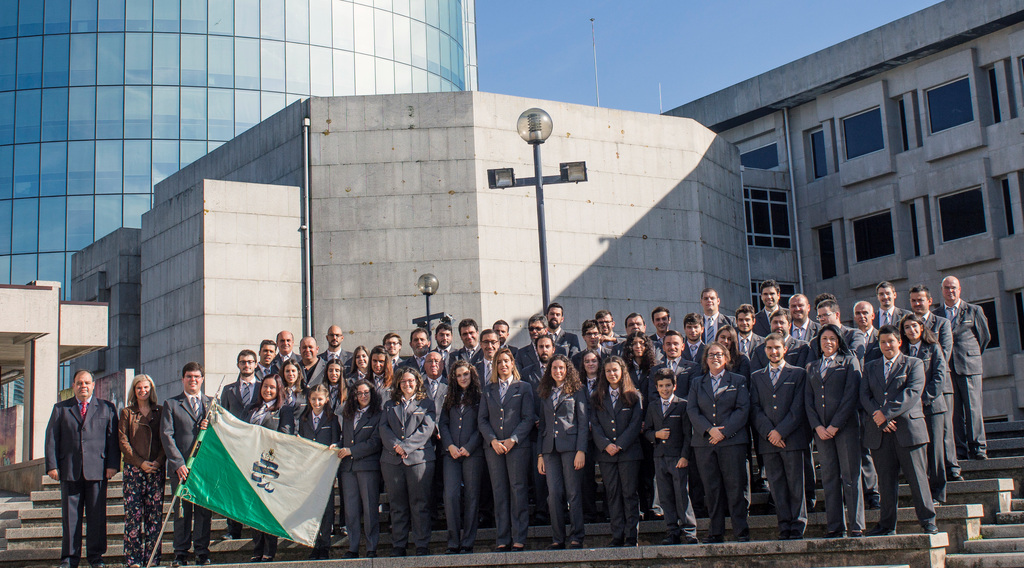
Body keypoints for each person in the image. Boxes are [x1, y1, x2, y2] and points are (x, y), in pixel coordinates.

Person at [862, 325, 938, 536]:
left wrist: (886, 413)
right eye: (883, 342)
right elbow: (864, 395)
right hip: (881, 433)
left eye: (891, 341)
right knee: (885, 482)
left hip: (909, 431)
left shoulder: (914, 363)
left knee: (917, 479)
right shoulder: (870, 367)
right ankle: (887, 525)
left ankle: (928, 521)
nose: (887, 345)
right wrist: (880, 419)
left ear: (899, 342)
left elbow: (913, 392)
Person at [46, 370, 119, 568]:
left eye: (87, 382)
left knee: (97, 516)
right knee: (71, 518)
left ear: (93, 385)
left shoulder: (107, 408)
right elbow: (52, 438)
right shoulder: (61, 409)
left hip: (98, 470)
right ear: (74, 385)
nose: (83, 386)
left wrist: (113, 465)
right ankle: (69, 558)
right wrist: (52, 465)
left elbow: (113, 440)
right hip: (70, 470)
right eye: (79, 383)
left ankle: (96, 557)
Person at [687, 342, 750, 543]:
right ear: (705, 359)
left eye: (719, 354)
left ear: (726, 358)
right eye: (711, 354)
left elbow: (742, 410)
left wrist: (723, 432)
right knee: (712, 489)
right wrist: (708, 429)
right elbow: (692, 410)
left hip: (731, 443)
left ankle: (741, 531)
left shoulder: (738, 380)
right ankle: (716, 532)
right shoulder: (697, 382)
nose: (715, 357)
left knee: (735, 487)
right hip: (705, 444)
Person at [805, 324, 864, 538]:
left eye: (832, 338)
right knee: (829, 478)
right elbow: (808, 401)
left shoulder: (849, 361)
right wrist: (818, 427)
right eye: (824, 339)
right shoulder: (812, 366)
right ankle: (835, 526)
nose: (828, 342)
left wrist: (834, 425)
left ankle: (856, 525)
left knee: (850, 476)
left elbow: (851, 396)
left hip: (845, 428)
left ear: (838, 341)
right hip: (822, 433)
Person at [750, 334, 809, 540]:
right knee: (777, 486)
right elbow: (755, 408)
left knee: (795, 484)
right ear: (764, 350)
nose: (773, 352)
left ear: (784, 349)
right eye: (769, 348)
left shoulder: (798, 374)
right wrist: (769, 432)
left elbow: (798, 407)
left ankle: (798, 524)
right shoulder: (757, 376)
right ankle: (783, 524)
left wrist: (781, 431)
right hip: (769, 442)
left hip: (791, 439)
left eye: (777, 348)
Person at [478, 347, 535, 552]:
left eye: (506, 361)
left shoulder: (524, 387)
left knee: (518, 490)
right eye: (499, 362)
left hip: (517, 447)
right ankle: (502, 537)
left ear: (512, 363)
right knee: (499, 492)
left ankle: (519, 536)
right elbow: (482, 420)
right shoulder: (488, 389)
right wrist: (493, 441)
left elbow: (528, 418)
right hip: (493, 448)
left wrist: (514, 439)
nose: (503, 365)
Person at [380, 367, 437, 557]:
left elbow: (427, 430)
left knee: (419, 503)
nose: (407, 384)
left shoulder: (426, 403)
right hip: (392, 461)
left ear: (417, 382)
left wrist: (407, 446)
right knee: (397, 504)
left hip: (418, 460)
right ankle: (399, 544)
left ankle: (421, 544)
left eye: (411, 381)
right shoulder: (389, 405)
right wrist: (396, 445)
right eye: (403, 381)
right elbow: (383, 428)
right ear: (398, 384)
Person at [160, 363, 212, 567]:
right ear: (182, 379)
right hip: (180, 468)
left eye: (197, 376)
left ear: (202, 379)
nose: (193, 380)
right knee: (182, 512)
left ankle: (202, 552)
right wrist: (178, 463)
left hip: (203, 467)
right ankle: (181, 553)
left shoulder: (211, 404)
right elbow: (167, 435)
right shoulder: (171, 404)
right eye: (189, 376)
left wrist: (210, 427)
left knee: (203, 512)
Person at [935, 276, 991, 461]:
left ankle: (978, 447)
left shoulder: (974, 310)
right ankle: (960, 449)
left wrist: (970, 355)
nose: (950, 291)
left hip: (969, 366)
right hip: (948, 369)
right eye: (946, 288)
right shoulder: (936, 315)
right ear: (941, 290)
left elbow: (984, 338)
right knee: (954, 412)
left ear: (959, 289)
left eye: (953, 288)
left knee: (973, 408)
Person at [537, 355, 589, 549]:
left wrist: (581, 450)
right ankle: (558, 538)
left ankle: (577, 536)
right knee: (554, 493)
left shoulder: (577, 391)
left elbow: (583, 423)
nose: (558, 371)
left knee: (573, 493)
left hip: (571, 447)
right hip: (550, 449)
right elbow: (542, 425)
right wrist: (540, 455)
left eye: (561, 368)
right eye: (554, 368)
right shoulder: (545, 392)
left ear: (567, 369)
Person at [591, 355, 644, 547]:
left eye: (615, 370)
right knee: (612, 493)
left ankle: (631, 535)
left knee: (629, 493)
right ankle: (617, 534)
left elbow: (635, 423)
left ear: (622, 372)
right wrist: (606, 445)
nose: (612, 374)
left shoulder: (633, 396)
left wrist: (620, 444)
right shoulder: (597, 397)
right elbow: (594, 425)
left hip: (628, 453)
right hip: (606, 455)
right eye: (608, 371)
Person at [910, 284, 959, 481]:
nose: (917, 304)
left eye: (920, 300)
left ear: (929, 301)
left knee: (945, 430)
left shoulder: (942, 323)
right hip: (915, 392)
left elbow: (944, 353)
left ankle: (952, 467)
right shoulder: (908, 325)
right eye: (913, 300)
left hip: (939, 385)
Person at [243, 374, 294, 561]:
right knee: (254, 508)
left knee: (268, 509)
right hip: (250, 464)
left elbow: (285, 435)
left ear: (278, 389)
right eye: (265, 386)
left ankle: (269, 550)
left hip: (270, 465)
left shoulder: (284, 410)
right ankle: (257, 550)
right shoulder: (251, 408)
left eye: (272, 387)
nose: (268, 390)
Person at [645, 368, 698, 545]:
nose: (664, 389)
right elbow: (647, 431)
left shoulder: (682, 405)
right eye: (661, 386)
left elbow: (687, 435)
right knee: (665, 496)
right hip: (660, 457)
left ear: (674, 386)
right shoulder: (652, 406)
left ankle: (689, 530)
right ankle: (672, 530)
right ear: (656, 387)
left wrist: (685, 456)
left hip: (678, 458)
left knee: (682, 494)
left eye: (668, 385)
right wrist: (656, 435)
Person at [901, 313, 949, 504]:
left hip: (931, 407)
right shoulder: (902, 351)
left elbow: (939, 377)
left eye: (914, 326)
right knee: (918, 454)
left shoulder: (933, 348)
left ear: (921, 327)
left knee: (935, 451)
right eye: (907, 327)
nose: (911, 330)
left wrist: (923, 399)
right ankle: (923, 495)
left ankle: (938, 493)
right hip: (911, 412)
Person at [119, 374, 166, 568]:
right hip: (134, 471)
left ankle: (152, 559)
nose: (143, 391)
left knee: (154, 517)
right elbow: (123, 441)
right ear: (134, 390)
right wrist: (140, 463)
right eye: (139, 388)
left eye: (146, 387)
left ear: (151, 389)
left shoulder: (161, 411)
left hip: (155, 470)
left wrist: (157, 461)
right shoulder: (127, 413)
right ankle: (133, 559)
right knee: (133, 516)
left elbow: (166, 439)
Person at [439, 360, 485, 554]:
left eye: (465, 374)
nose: (462, 378)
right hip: (451, 454)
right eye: (458, 375)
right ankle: (453, 541)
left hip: (472, 453)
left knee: (472, 497)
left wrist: (469, 447)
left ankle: (468, 542)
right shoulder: (449, 397)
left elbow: (482, 424)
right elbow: (443, 424)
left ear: (471, 375)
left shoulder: (480, 397)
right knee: (451, 496)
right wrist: (449, 445)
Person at [337, 379, 383, 559]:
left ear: (372, 394)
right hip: (348, 469)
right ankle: (353, 547)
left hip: (368, 467)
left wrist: (351, 451)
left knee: (371, 509)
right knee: (350, 509)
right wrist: (337, 446)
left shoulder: (378, 414)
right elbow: (346, 439)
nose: (362, 396)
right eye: (359, 393)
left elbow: (375, 442)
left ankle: (372, 547)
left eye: (366, 393)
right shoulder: (348, 414)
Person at [297, 385, 340, 559]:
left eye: (320, 399)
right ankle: (315, 543)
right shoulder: (304, 419)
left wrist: (335, 445)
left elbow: (336, 440)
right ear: (309, 400)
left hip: (326, 470)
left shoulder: (332, 419)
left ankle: (325, 545)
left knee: (327, 508)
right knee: (312, 508)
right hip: (310, 470)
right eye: (313, 399)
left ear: (326, 400)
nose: (317, 402)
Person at [220, 350, 259, 542]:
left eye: (250, 362)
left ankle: (256, 527)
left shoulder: (263, 387)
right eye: (243, 362)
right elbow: (222, 416)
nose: (247, 365)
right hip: (234, 445)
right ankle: (233, 529)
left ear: (256, 364)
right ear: (238, 365)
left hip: (256, 445)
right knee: (233, 487)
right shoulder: (228, 390)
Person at [620, 330, 658, 519]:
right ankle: (640, 508)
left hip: (649, 425)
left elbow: (655, 398)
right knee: (635, 471)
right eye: (634, 344)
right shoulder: (624, 369)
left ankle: (651, 507)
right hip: (630, 426)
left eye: (642, 343)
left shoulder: (654, 368)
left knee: (649, 469)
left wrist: (647, 422)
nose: (638, 347)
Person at [577, 348, 605, 523]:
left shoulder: (606, 381)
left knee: (607, 476)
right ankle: (589, 513)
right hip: (584, 436)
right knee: (586, 478)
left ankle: (609, 512)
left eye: (593, 361)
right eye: (587, 361)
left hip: (603, 434)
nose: (590, 364)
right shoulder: (577, 384)